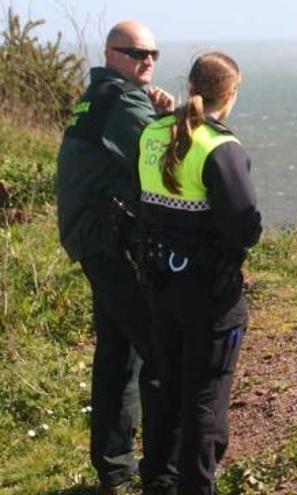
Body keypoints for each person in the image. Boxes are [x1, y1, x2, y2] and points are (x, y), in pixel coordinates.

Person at [56, 21, 174, 494]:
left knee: (117, 353)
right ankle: (166, 471)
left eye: (153, 54)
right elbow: (169, 157)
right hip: (110, 243)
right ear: (110, 53)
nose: (146, 60)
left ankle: (114, 467)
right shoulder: (122, 100)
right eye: (135, 52)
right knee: (161, 352)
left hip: (93, 239)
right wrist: (176, 116)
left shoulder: (97, 96)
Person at [135, 51, 261, 495]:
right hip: (209, 293)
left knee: (166, 387)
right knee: (205, 399)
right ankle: (195, 486)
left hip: (160, 283)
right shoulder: (220, 146)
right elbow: (244, 228)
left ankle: (160, 481)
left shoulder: (153, 131)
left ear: (190, 86)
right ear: (230, 94)